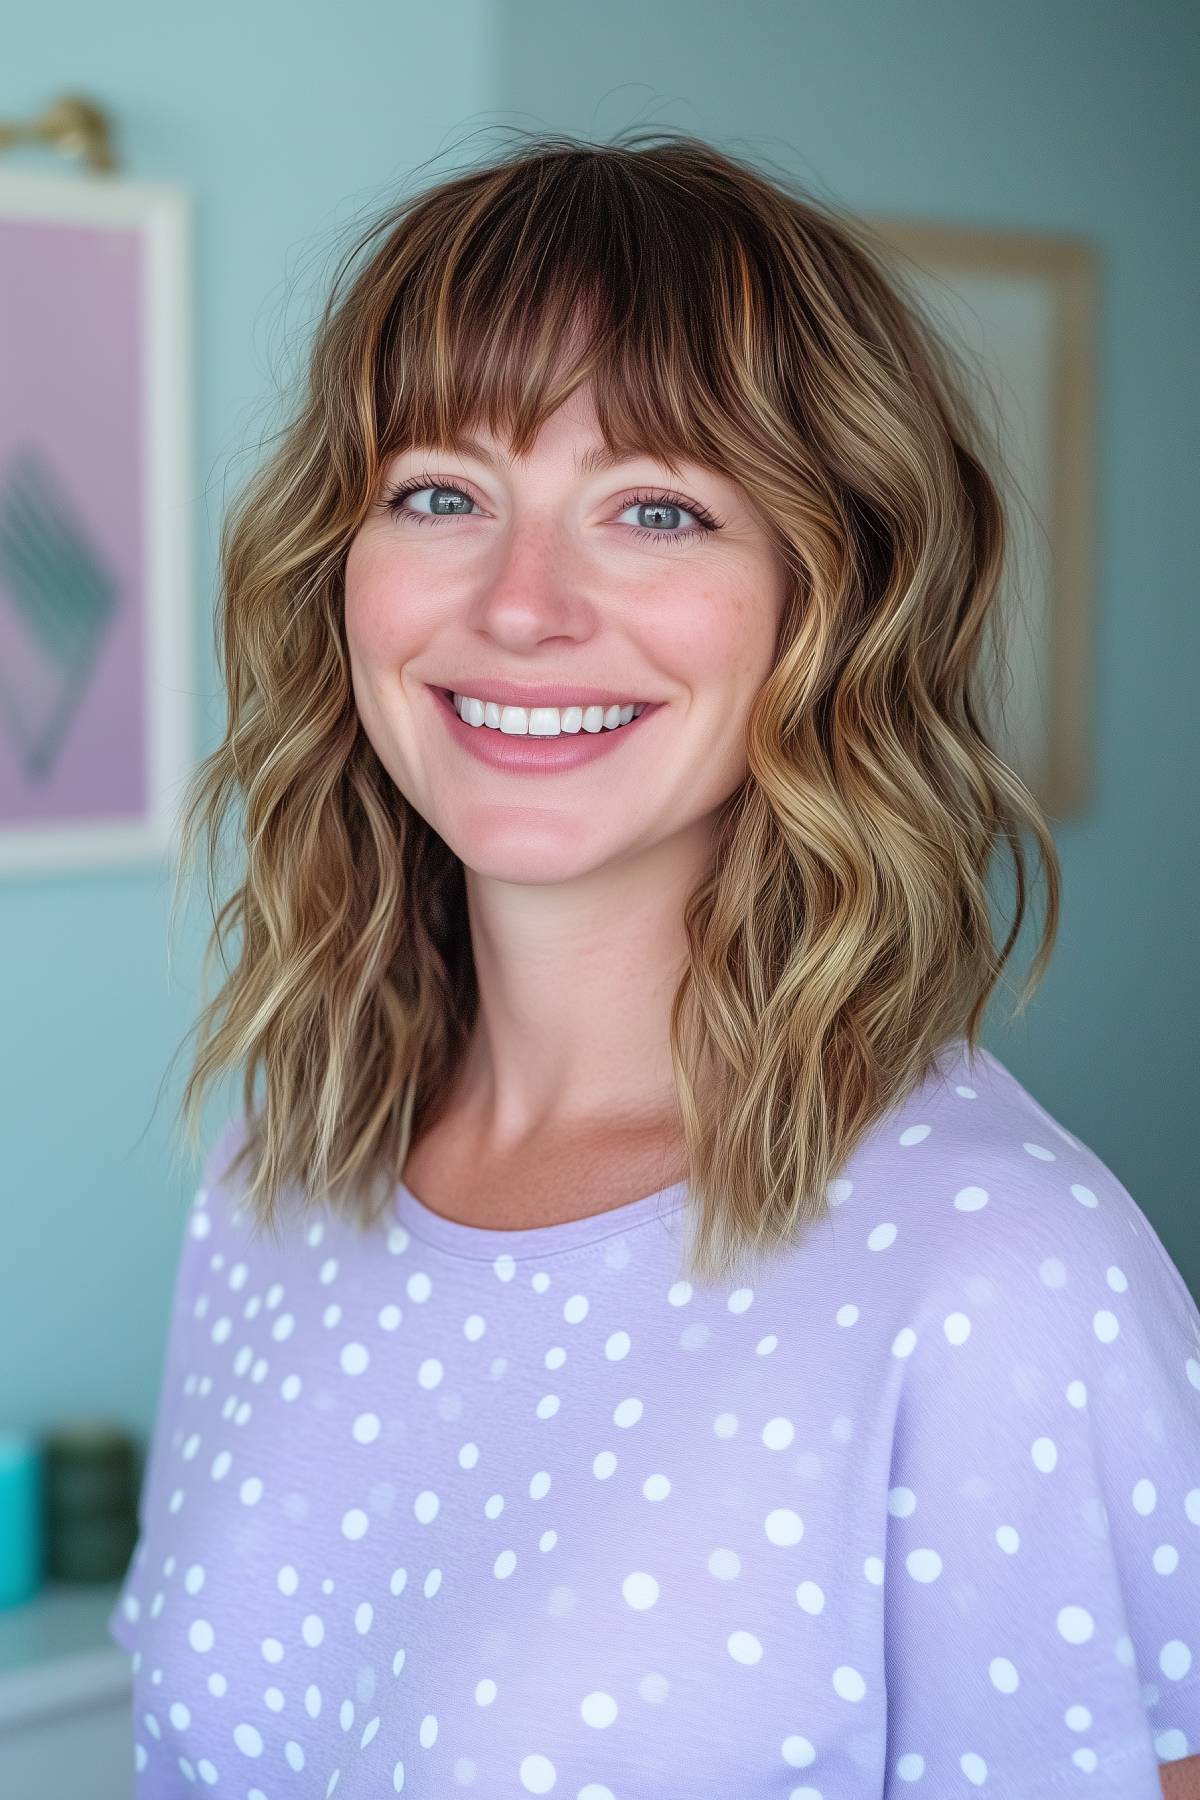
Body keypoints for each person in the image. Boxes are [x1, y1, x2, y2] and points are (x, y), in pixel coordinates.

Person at [110, 128, 1200, 1798]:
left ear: (831, 598)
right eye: (442, 493)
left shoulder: (1002, 1280)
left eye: (657, 508)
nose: (523, 603)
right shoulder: (277, 1175)